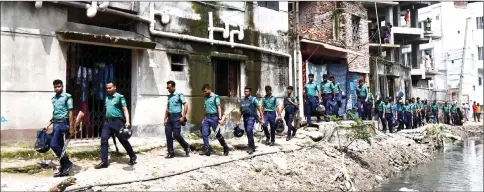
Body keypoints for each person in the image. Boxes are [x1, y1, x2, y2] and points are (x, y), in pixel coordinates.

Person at [96, 81, 136, 169]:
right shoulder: (106, 97)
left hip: (118, 122)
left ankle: (132, 156)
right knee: (104, 140)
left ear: (115, 87)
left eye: (110, 88)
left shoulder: (120, 97)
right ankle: (104, 161)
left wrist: (128, 121)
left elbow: (125, 109)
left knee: (123, 140)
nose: (108, 90)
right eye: (107, 88)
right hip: (107, 122)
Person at [44, 79, 74, 177]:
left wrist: (71, 127)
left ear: (62, 86)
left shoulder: (67, 97)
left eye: (59, 86)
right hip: (56, 124)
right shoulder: (54, 99)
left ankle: (67, 162)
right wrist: (48, 124)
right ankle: (63, 168)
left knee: (53, 144)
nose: (57, 88)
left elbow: (70, 112)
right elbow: (55, 114)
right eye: (55, 87)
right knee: (60, 146)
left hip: (63, 124)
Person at [200, 84, 229, 156]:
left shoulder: (215, 97)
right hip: (207, 117)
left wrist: (220, 118)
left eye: (206, 91)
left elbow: (219, 108)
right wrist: (204, 119)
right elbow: (206, 109)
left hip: (214, 118)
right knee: (204, 134)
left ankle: (225, 147)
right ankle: (207, 150)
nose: (205, 93)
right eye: (204, 92)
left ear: (209, 89)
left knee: (217, 134)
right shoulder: (205, 97)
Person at [163, 80, 191, 158]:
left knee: (176, 135)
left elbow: (185, 105)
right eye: (167, 88)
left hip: (177, 117)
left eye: (169, 88)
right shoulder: (169, 96)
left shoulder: (179, 95)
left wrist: (183, 117)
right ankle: (171, 152)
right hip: (170, 117)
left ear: (173, 87)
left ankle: (186, 146)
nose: (168, 89)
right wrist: (165, 119)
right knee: (168, 134)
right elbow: (167, 108)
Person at [236, 87, 264, 154]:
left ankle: (250, 147)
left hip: (251, 117)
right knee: (248, 132)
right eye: (245, 91)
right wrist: (238, 121)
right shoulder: (242, 101)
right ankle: (252, 145)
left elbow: (259, 109)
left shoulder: (253, 99)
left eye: (247, 91)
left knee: (249, 130)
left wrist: (262, 118)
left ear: (250, 92)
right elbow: (240, 111)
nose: (246, 92)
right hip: (245, 118)